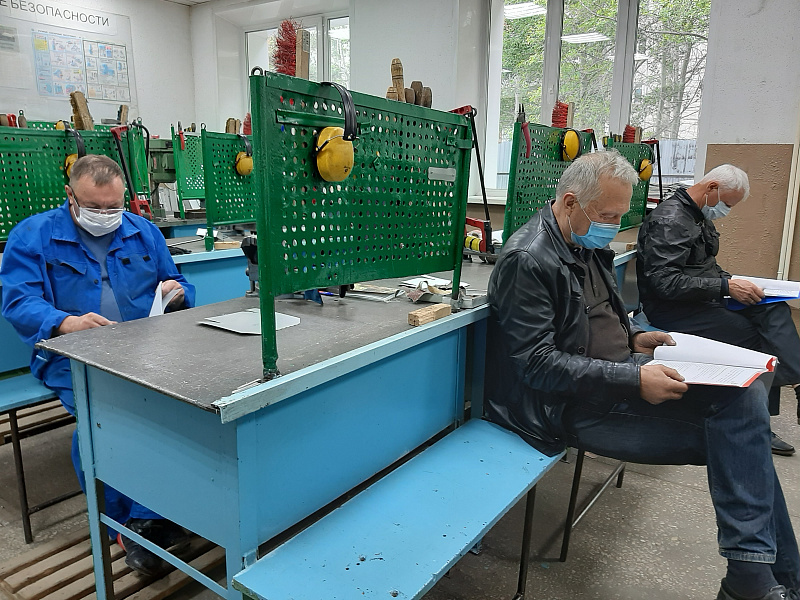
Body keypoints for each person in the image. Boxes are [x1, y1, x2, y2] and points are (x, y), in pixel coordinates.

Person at [486, 150, 799, 600]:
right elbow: (535, 364)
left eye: (619, 215)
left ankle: (758, 579)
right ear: (571, 202)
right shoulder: (529, 259)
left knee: (745, 397)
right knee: (743, 440)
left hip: (617, 373)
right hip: (571, 405)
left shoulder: (583, 244)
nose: (615, 226)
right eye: (608, 216)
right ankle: (759, 580)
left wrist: (635, 337)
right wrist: (634, 381)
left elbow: (597, 318)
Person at [1, 155, 196, 576]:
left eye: (114, 207)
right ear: (70, 196)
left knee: (188, 405)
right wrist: (65, 322)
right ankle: (132, 523)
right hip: (71, 354)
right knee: (108, 417)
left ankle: (160, 509)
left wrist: (178, 291)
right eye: (94, 207)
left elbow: (179, 281)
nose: (106, 215)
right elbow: (18, 301)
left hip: (145, 348)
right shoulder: (33, 235)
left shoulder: (143, 231)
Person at [636, 164, 800, 456]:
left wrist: (735, 283)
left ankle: (794, 382)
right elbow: (665, 284)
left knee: (773, 309)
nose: (726, 211)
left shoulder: (698, 216)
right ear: (711, 188)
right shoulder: (670, 220)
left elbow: (705, 266)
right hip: (672, 307)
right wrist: (725, 287)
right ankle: (752, 421)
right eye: (727, 204)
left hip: (702, 297)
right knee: (752, 337)